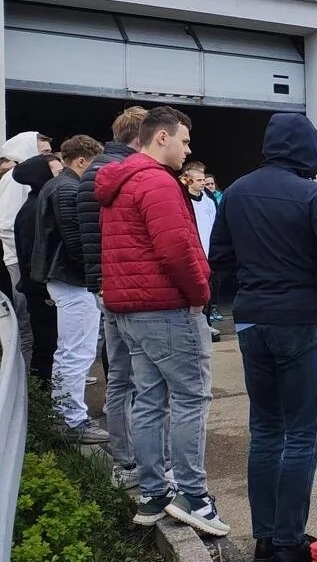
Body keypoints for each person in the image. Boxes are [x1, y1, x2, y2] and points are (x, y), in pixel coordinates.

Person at [210, 113, 317, 562]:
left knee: (266, 431)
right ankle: (291, 543)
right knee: (300, 436)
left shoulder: (234, 192)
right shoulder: (315, 195)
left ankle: (265, 539)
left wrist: (250, 293)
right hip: (301, 323)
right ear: (309, 151)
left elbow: (219, 258)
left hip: (252, 324)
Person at [95, 106, 228, 534]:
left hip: (130, 311)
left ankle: (153, 494)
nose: (189, 149)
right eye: (185, 141)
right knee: (191, 398)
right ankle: (192, 494)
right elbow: (175, 249)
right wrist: (200, 295)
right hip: (165, 309)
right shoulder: (157, 182)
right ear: (162, 138)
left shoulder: (121, 181)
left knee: (149, 400)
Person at [77, 106, 148, 490]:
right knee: (138, 378)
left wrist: (97, 281)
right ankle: (138, 459)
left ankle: (123, 457)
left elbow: (84, 238)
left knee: (119, 377)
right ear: (143, 136)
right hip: (124, 289)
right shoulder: (124, 173)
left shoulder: (93, 171)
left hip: (105, 287)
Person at [35, 134, 106, 441]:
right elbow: (77, 242)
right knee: (78, 351)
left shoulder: (55, 185)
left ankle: (65, 415)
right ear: (81, 161)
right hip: (72, 279)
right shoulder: (69, 189)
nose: (97, 172)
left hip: (62, 277)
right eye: (95, 165)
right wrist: (97, 276)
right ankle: (72, 421)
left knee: (70, 351)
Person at [0, 131, 54, 368]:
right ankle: (28, 384)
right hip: (17, 262)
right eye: (43, 152)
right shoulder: (16, 178)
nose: (48, 158)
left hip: (22, 260)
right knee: (25, 322)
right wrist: (28, 257)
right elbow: (6, 224)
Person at [12, 154, 63, 389]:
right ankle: (43, 398)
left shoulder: (40, 203)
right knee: (46, 345)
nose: (62, 175)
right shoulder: (34, 210)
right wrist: (46, 290)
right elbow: (33, 255)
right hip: (41, 291)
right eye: (56, 171)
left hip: (41, 288)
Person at [181, 162, 222, 341]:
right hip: (193, 253)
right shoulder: (183, 199)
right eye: (198, 180)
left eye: (203, 179)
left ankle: (207, 324)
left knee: (209, 290)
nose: (203, 183)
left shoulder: (210, 198)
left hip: (210, 252)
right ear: (188, 181)